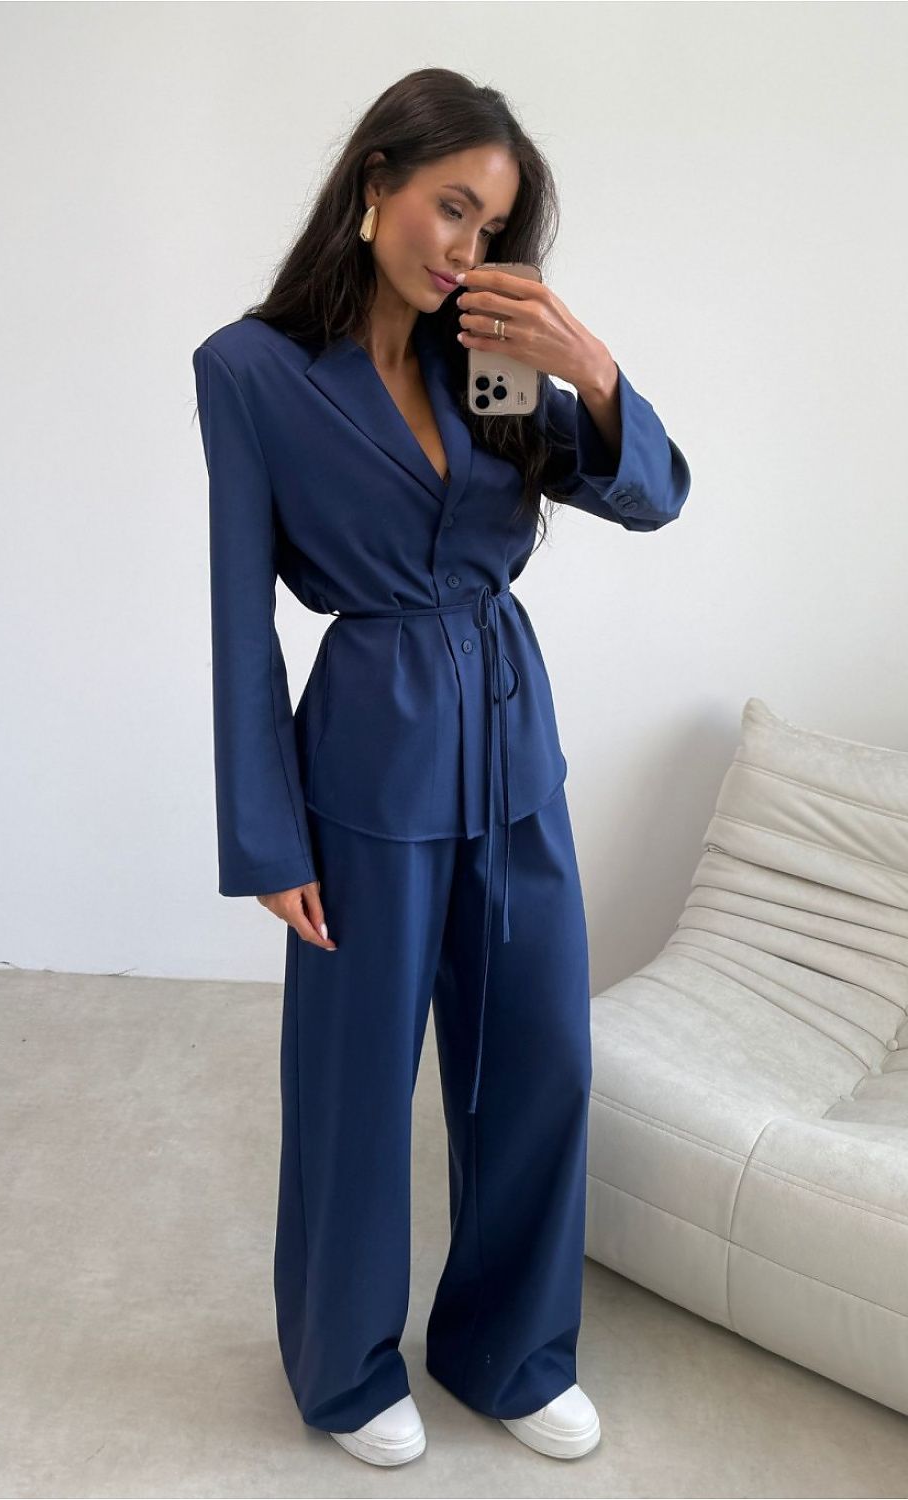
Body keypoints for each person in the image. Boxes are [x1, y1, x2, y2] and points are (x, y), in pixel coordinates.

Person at [192, 67, 691, 1469]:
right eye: (449, 208)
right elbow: (241, 620)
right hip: (364, 755)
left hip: (512, 740)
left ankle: (507, 1348)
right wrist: (268, 834)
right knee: (355, 1078)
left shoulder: (495, 351)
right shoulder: (251, 373)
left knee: (541, 1056)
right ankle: (348, 1374)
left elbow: (654, 496)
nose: (465, 250)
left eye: (492, 228)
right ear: (376, 186)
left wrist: (584, 359)